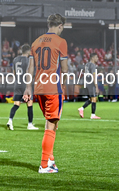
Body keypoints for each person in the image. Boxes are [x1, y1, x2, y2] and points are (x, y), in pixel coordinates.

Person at [23, 14, 69, 174]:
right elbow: (64, 69)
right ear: (60, 26)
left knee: (52, 123)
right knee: (51, 125)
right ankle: (43, 165)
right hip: (53, 88)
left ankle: (50, 159)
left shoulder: (36, 42)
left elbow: (30, 68)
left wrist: (28, 88)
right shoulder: (61, 42)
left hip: (39, 88)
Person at [6, 44, 38, 130]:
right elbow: (29, 73)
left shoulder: (15, 59)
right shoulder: (29, 60)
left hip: (17, 84)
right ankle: (30, 124)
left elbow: (14, 73)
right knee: (29, 104)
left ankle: (10, 121)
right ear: (29, 51)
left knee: (16, 104)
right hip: (26, 84)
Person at [78, 53, 101, 119]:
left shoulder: (87, 65)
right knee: (94, 98)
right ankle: (92, 114)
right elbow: (93, 76)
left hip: (87, 82)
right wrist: (96, 86)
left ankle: (82, 108)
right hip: (91, 83)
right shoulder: (93, 65)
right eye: (96, 57)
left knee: (91, 98)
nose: (97, 59)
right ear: (92, 58)